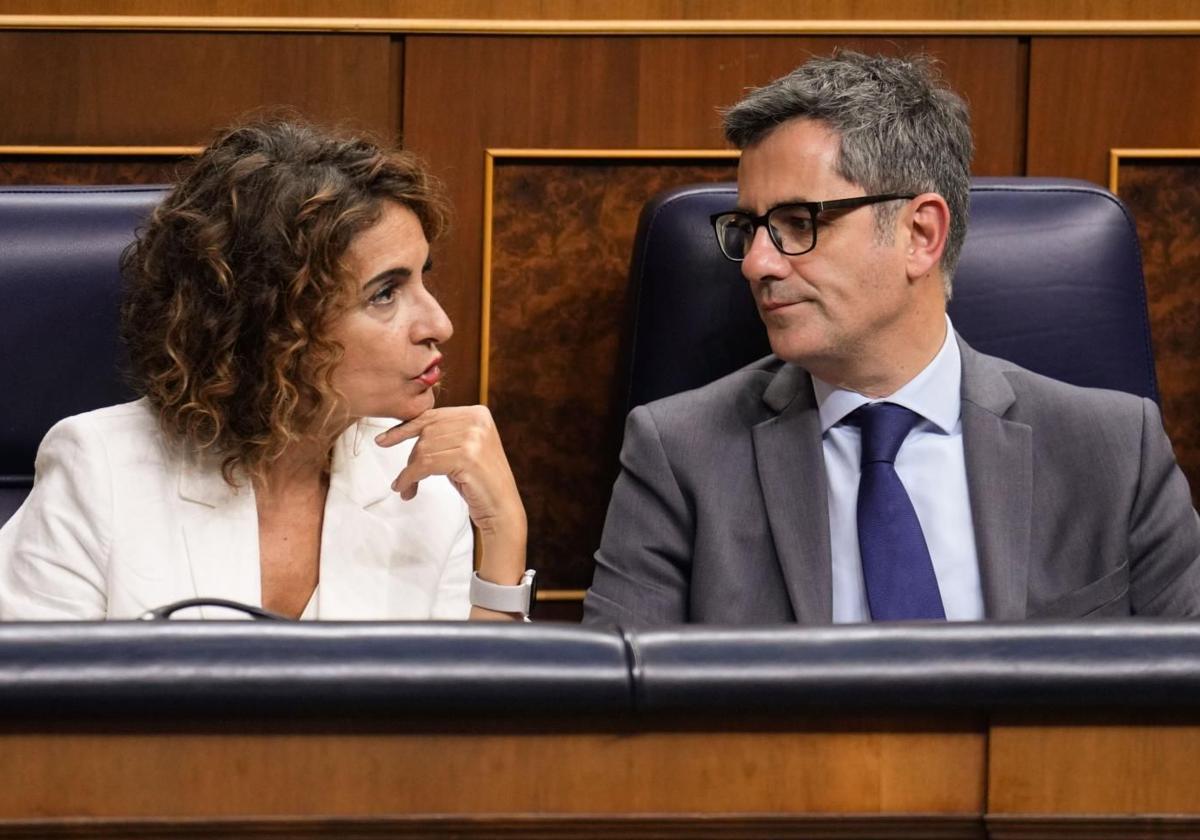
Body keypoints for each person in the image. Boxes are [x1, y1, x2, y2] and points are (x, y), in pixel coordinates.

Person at [584, 51, 1200, 626]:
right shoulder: (678, 454)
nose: (756, 265)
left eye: (798, 223)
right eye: (748, 229)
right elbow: (613, 724)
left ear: (920, 234)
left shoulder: (1115, 451)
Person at [0, 118, 535, 621]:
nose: (439, 324)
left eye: (423, 279)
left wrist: (504, 536)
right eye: (386, 293)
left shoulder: (423, 487)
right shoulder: (100, 472)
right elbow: (35, 708)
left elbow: (463, 714)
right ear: (275, 322)